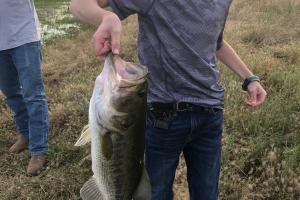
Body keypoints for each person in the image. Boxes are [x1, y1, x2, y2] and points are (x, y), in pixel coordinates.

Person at [70, 0, 267, 199]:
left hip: (210, 114)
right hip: (163, 119)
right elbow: (79, 4)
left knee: (207, 193)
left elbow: (217, 42)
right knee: (154, 193)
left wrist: (249, 78)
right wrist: (107, 17)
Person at [0, 1, 49, 176]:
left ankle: (38, 148)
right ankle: (25, 134)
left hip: (24, 37)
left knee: (33, 95)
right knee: (11, 93)